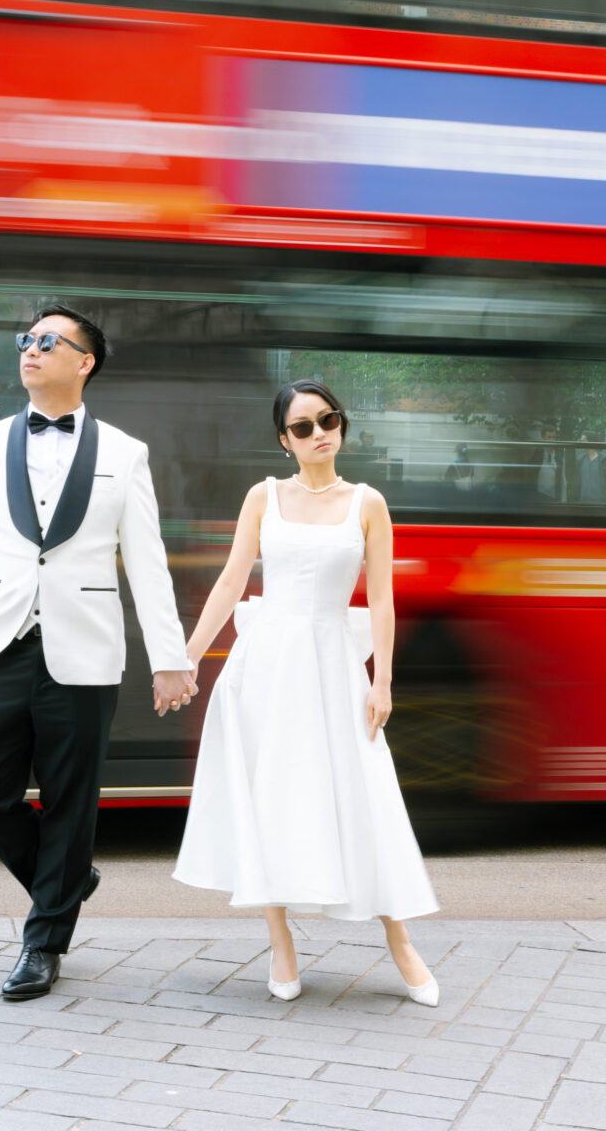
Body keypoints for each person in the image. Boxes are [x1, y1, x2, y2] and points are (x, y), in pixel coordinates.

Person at [0, 304, 197, 1002]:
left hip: (84, 650)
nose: (30, 349)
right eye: (25, 339)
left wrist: (169, 657)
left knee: (70, 804)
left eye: (48, 341)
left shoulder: (125, 452)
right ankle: (68, 880)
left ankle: (43, 941)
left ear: (84, 361)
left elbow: (147, 562)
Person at [174, 379, 439, 1005]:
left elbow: (381, 600)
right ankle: (280, 942)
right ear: (283, 440)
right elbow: (232, 580)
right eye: (303, 427)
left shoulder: (367, 503)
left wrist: (383, 681)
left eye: (329, 419)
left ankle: (400, 941)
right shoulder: (262, 497)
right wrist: (184, 658)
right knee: (266, 801)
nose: (320, 433)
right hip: (262, 668)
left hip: (332, 666)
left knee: (361, 793)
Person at [575, 435, 606, 503]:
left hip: (600, 505)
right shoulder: (580, 460)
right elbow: (577, 483)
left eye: (583, 441)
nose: (580, 443)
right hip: (582, 504)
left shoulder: (605, 460)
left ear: (590, 442)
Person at [535, 423, 565, 501]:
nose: (552, 440)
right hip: (538, 496)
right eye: (549, 437)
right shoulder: (537, 455)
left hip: (554, 498)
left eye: (553, 437)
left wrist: (563, 500)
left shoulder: (559, 457)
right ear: (543, 438)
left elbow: (562, 480)